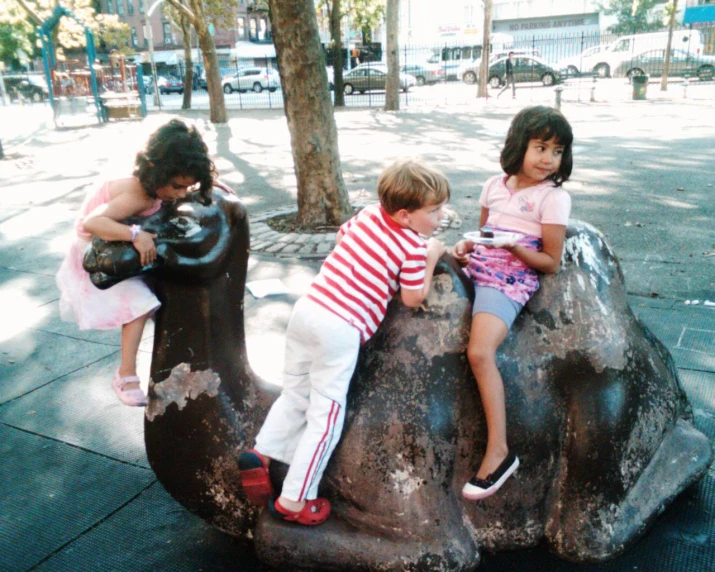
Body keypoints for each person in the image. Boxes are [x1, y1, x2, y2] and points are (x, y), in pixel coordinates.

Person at [238, 159, 449, 525]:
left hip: (308, 309)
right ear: (404, 215)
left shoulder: (368, 215)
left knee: (296, 392)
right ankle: (295, 499)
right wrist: (433, 255)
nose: (440, 217)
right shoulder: (415, 245)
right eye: (433, 211)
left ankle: (263, 453)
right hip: (341, 327)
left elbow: (341, 236)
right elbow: (414, 296)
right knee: (326, 417)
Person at [452, 106, 573, 500]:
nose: (548, 159)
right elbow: (484, 233)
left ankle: (500, 452)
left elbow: (550, 263)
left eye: (557, 151)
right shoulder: (494, 185)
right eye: (540, 147)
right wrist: (468, 245)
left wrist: (515, 247)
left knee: (480, 353)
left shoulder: (552, 198)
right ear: (519, 144)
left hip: (509, 278)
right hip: (481, 265)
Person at [56, 119, 216, 407]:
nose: (181, 194)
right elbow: (92, 222)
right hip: (96, 253)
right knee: (139, 304)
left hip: (117, 244)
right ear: (159, 172)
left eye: (187, 187)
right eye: (178, 186)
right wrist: (135, 234)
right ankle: (125, 375)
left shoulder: (158, 188)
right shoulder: (138, 194)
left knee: (165, 292)